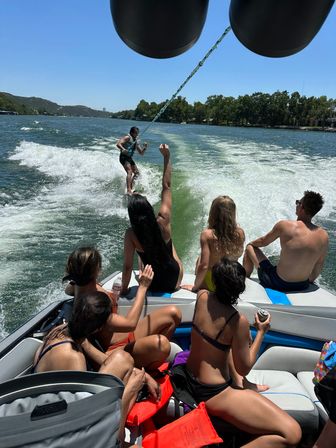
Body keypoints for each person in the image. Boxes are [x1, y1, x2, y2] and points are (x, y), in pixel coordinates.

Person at [179, 257, 302, 447]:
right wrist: (261, 332)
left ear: (215, 282)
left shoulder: (202, 296)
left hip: (189, 377)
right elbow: (243, 368)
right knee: (292, 433)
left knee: (225, 347)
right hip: (213, 392)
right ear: (239, 289)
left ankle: (247, 387)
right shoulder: (237, 322)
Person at [33, 290, 160, 445]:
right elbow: (82, 420)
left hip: (49, 412)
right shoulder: (74, 359)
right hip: (61, 431)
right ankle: (118, 440)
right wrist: (130, 391)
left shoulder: (59, 331)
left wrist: (143, 375)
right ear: (99, 328)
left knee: (123, 359)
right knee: (129, 381)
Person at [64, 246, 181, 370]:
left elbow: (68, 290)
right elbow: (130, 324)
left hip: (125, 335)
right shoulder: (91, 304)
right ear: (97, 271)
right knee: (161, 344)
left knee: (174, 313)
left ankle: (150, 357)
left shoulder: (77, 286)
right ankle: (146, 365)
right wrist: (143, 287)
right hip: (114, 350)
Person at [122, 143, 184, 294]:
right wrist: (167, 156)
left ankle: (144, 267)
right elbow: (167, 186)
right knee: (167, 244)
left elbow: (127, 267)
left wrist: (123, 290)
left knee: (143, 255)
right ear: (149, 208)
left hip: (153, 283)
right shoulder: (163, 220)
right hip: (175, 279)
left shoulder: (130, 234)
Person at [243, 191, 329, 292]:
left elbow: (263, 242)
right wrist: (309, 281)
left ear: (302, 207)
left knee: (250, 247)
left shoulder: (285, 226)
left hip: (277, 283)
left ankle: (246, 280)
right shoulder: (324, 235)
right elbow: (319, 264)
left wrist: (250, 243)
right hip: (302, 285)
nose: (296, 205)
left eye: (298, 202)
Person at [182, 195, 245, 292]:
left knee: (200, 259)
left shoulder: (207, 235)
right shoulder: (240, 233)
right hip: (232, 281)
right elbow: (238, 255)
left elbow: (204, 265)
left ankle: (203, 284)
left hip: (214, 283)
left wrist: (195, 287)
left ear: (213, 213)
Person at [117, 126, 148, 195]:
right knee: (129, 172)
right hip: (123, 157)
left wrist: (145, 148)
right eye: (136, 133)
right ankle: (128, 190)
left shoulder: (135, 141)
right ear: (131, 133)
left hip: (129, 158)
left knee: (137, 173)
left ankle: (131, 187)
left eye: (137, 133)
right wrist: (123, 149)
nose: (137, 135)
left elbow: (141, 153)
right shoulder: (127, 138)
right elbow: (118, 144)